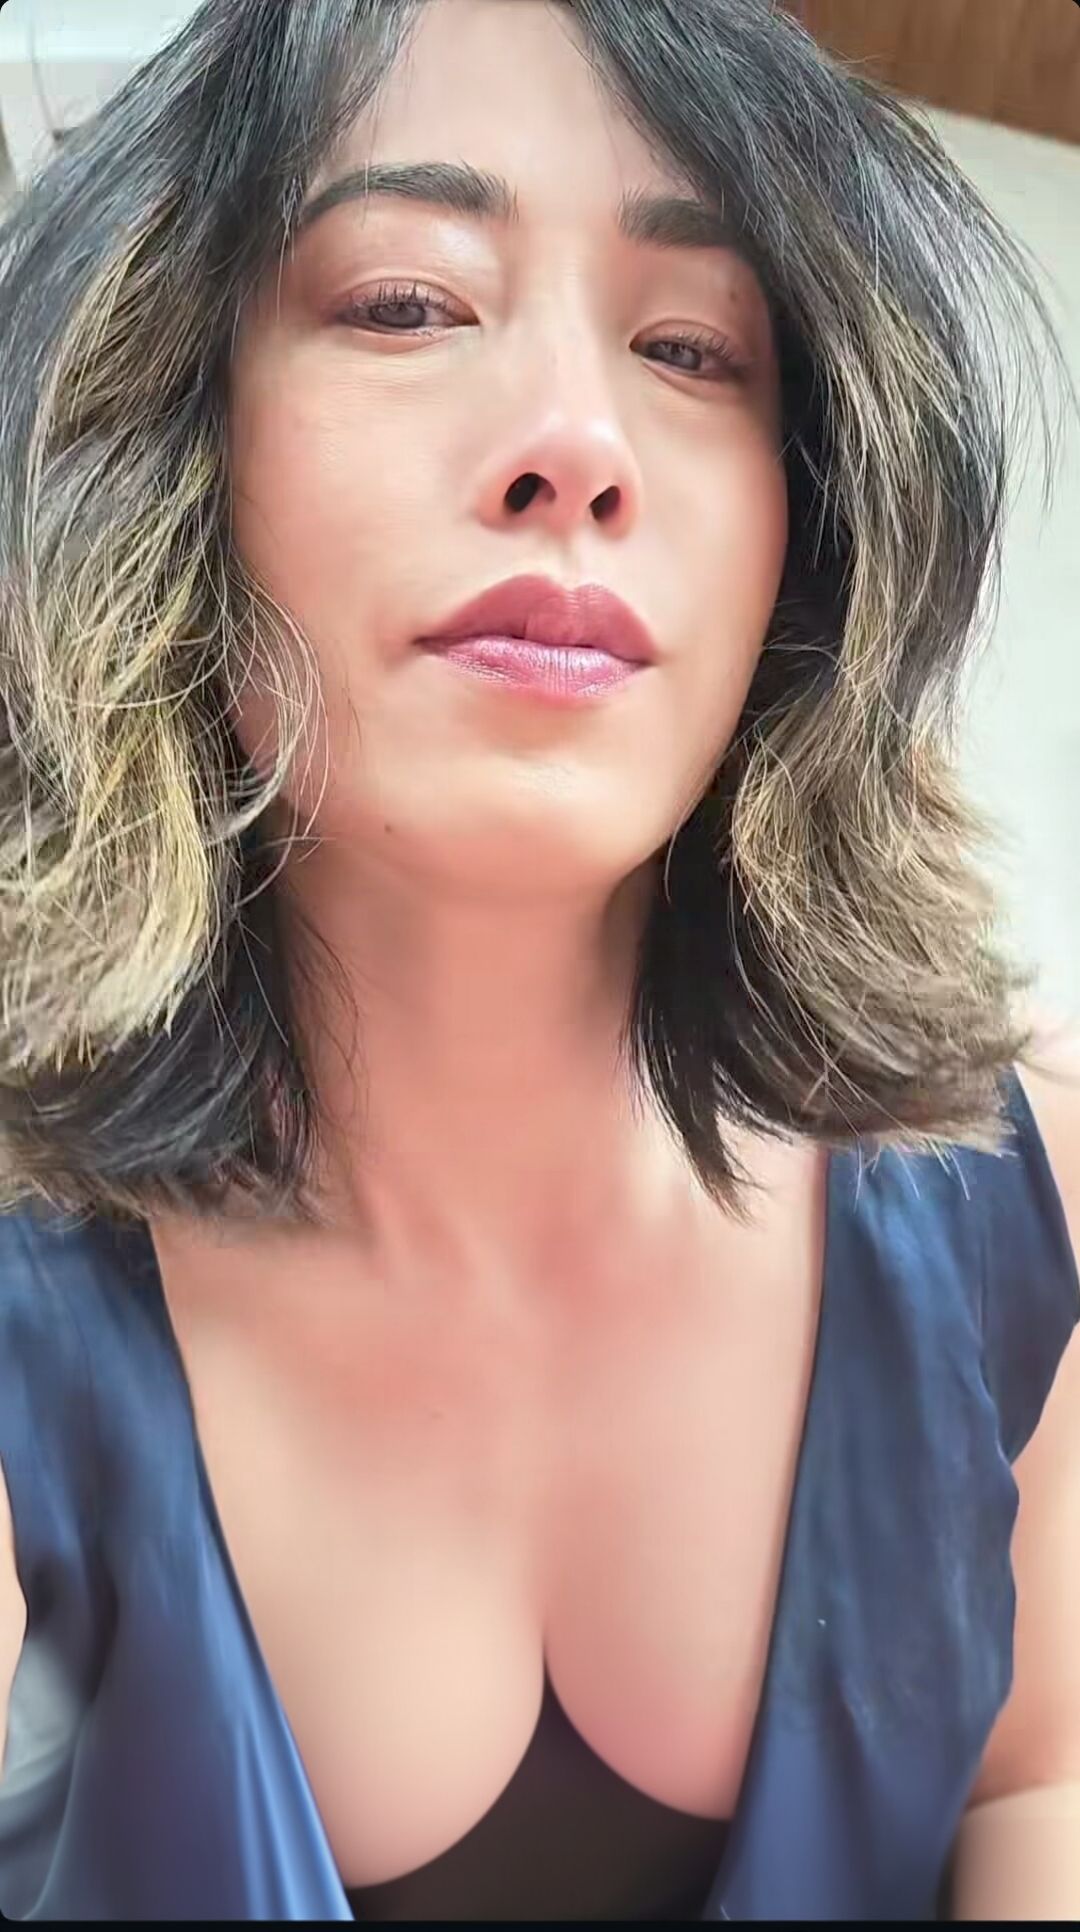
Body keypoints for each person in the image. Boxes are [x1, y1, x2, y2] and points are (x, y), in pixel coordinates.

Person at [0, 0, 1077, 1919]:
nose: (578, 445)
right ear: (159, 443)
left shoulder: (1024, 1192)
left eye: (693, 348)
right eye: (408, 303)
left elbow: (1041, 1777)